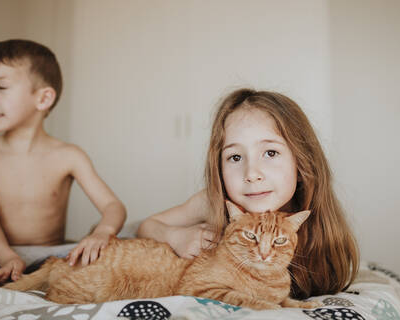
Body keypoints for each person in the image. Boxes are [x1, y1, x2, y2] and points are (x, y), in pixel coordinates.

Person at [137, 88, 359, 299]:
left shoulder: (316, 224)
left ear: (301, 164)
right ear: (219, 169)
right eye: (235, 157)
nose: (252, 173)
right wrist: (175, 236)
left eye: (270, 152)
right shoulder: (211, 202)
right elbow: (147, 225)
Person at [0, 39, 126, 287]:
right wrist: (8, 257)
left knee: (127, 240)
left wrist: (102, 232)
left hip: (53, 256)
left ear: (43, 98)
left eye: (1, 87)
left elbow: (113, 205)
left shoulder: (69, 155)